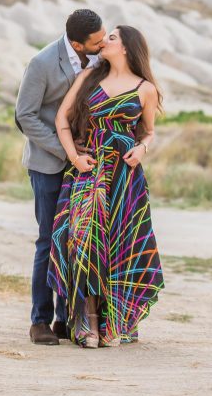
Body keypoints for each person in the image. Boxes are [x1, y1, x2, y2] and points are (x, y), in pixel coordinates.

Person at [48, 25, 164, 348]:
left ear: (126, 47)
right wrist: (74, 157)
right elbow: (62, 120)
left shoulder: (145, 89)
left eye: (111, 37)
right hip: (88, 169)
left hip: (124, 177)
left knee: (117, 244)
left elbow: (149, 132)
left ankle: (112, 320)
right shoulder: (89, 78)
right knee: (84, 240)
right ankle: (88, 321)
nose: (104, 42)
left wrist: (141, 150)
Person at [15, 8, 106, 345]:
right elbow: (24, 116)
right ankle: (39, 320)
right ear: (78, 44)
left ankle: (64, 319)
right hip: (48, 164)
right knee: (47, 240)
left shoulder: (97, 59)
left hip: (86, 165)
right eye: (96, 42)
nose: (102, 45)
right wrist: (66, 151)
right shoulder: (41, 64)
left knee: (74, 241)